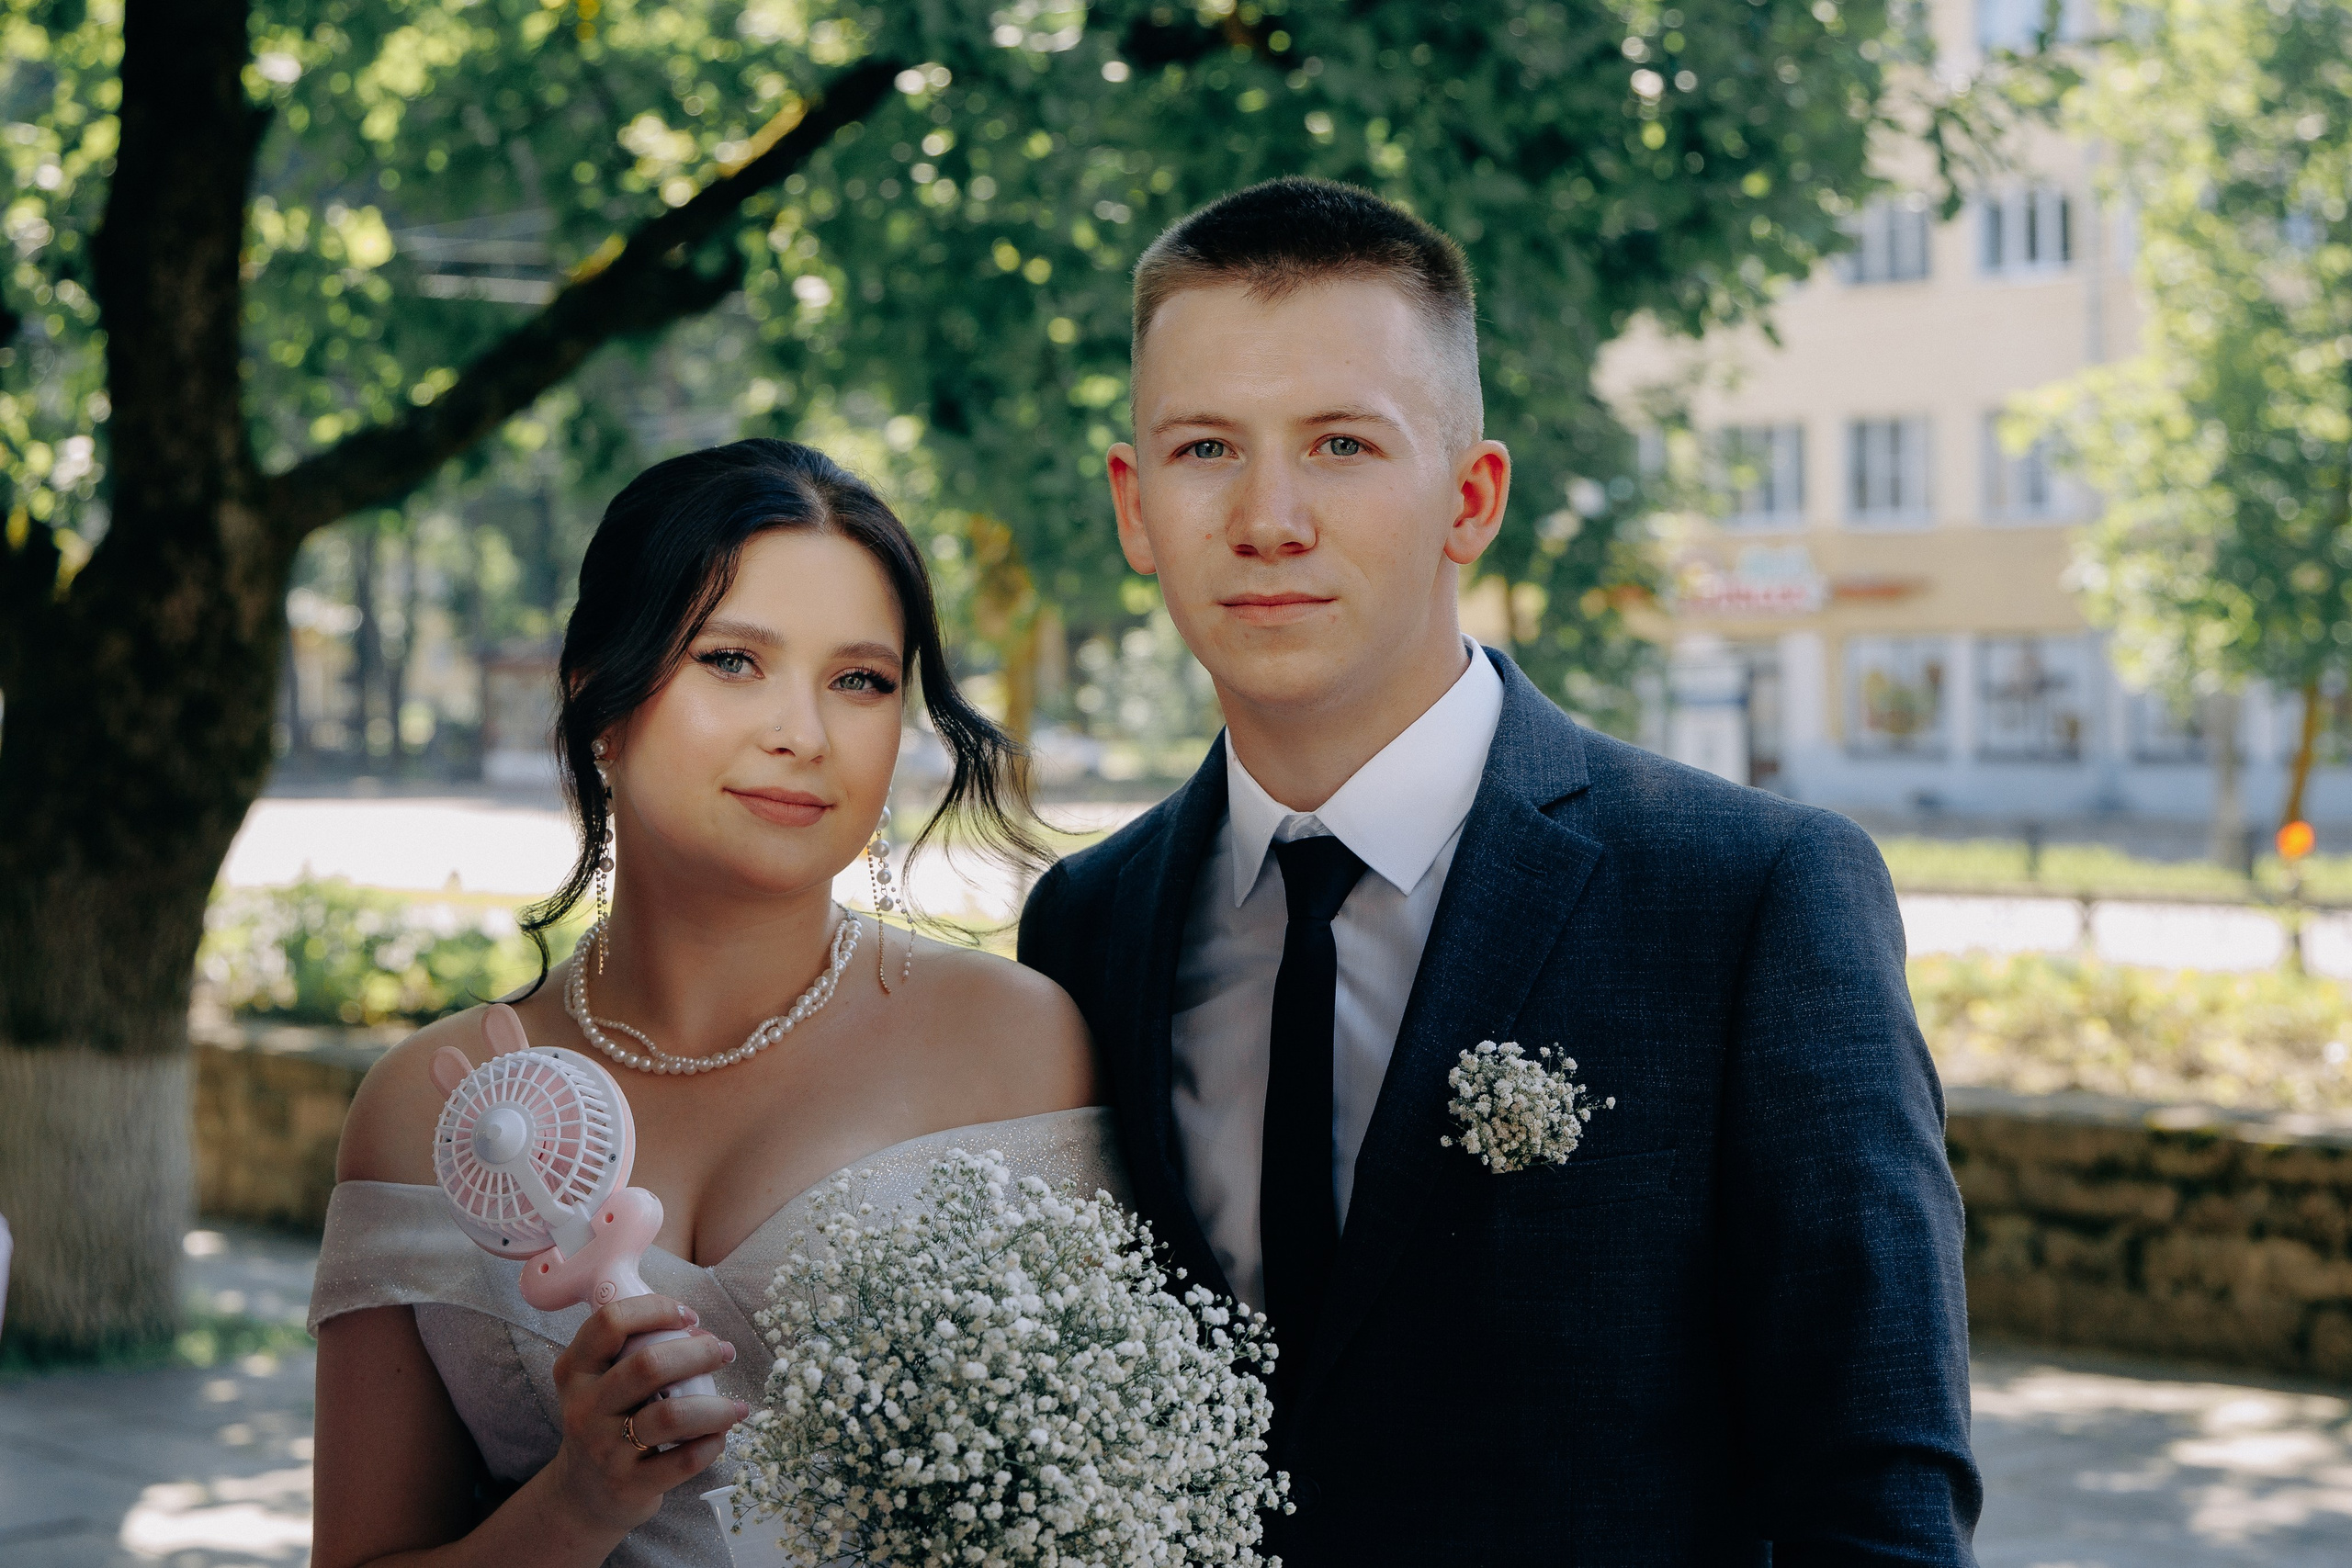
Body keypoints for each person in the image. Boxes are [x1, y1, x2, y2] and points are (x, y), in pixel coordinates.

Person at [1018, 177, 1982, 1564]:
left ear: (1471, 498)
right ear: (1133, 503)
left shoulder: (1751, 895)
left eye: (1343, 443)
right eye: (1206, 447)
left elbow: (1877, 1483)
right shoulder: (1084, 925)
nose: (1269, 514)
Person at [310, 440, 1113, 1568]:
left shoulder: (1015, 1048)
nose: (805, 732)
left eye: (861, 680)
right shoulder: (424, 1111)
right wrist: (580, 1503)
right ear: (601, 696)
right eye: (733, 661)